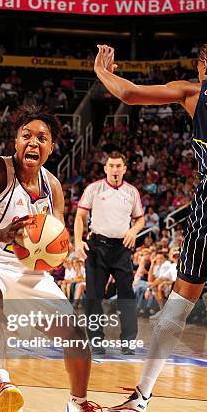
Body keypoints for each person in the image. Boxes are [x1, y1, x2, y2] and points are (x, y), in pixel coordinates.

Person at [93, 39, 207, 412]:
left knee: (183, 295)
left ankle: (141, 397)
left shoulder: (193, 91)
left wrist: (101, 71)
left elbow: (128, 93)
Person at [0, 105, 112, 412]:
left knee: (75, 333)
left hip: (26, 269)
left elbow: (58, 238)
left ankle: (77, 406)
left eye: (42, 138)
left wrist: (58, 255)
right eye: (26, 136)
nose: (33, 143)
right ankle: (2, 383)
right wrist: (1, 235)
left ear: (51, 148)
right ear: (16, 142)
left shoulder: (54, 188)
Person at [74, 152, 145, 355]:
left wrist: (133, 230)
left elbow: (140, 219)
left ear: (124, 169)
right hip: (97, 247)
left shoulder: (131, 192)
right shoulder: (94, 189)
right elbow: (80, 216)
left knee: (127, 295)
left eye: (118, 166)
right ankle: (96, 341)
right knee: (94, 296)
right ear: (105, 168)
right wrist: (78, 241)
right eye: (111, 166)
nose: (115, 169)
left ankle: (128, 341)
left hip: (122, 248)